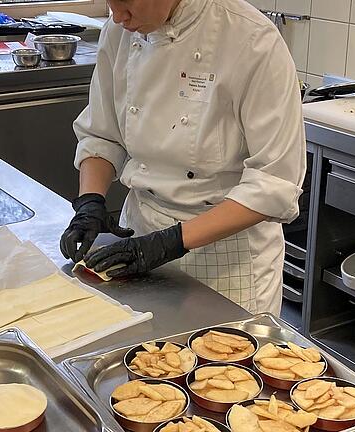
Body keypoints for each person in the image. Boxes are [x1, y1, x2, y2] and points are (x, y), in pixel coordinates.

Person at [59, 0, 306, 315]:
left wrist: (170, 243)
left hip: (223, 260)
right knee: (140, 357)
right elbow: (103, 133)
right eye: (110, 2)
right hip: (139, 236)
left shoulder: (252, 39)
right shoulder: (120, 31)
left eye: (126, 2)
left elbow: (274, 182)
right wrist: (90, 203)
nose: (118, 16)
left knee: (220, 361)